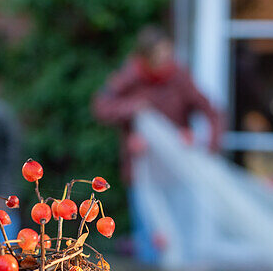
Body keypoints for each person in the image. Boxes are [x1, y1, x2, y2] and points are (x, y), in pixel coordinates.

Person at [93, 26, 224, 180]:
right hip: (141, 169)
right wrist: (133, 107)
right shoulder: (130, 77)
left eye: (167, 53)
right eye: (158, 55)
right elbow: (101, 106)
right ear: (145, 56)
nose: (164, 60)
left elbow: (212, 112)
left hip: (176, 169)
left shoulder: (179, 77)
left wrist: (208, 147)